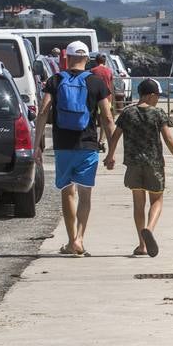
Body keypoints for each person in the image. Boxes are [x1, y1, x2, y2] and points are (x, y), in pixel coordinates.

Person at [34, 40, 115, 257]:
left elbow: (43, 111)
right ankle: (80, 238)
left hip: (63, 145)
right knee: (85, 194)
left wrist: (36, 146)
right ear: (87, 59)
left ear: (66, 58)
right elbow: (107, 117)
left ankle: (71, 242)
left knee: (67, 192)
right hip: (88, 144)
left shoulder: (55, 79)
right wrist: (112, 150)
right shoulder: (97, 82)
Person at [104, 78, 173, 257]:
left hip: (133, 164)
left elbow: (115, 135)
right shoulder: (158, 113)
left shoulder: (127, 112)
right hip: (154, 164)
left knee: (138, 204)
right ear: (149, 95)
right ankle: (149, 228)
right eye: (156, 95)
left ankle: (142, 245)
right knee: (157, 200)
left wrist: (110, 156)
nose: (157, 99)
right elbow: (168, 138)